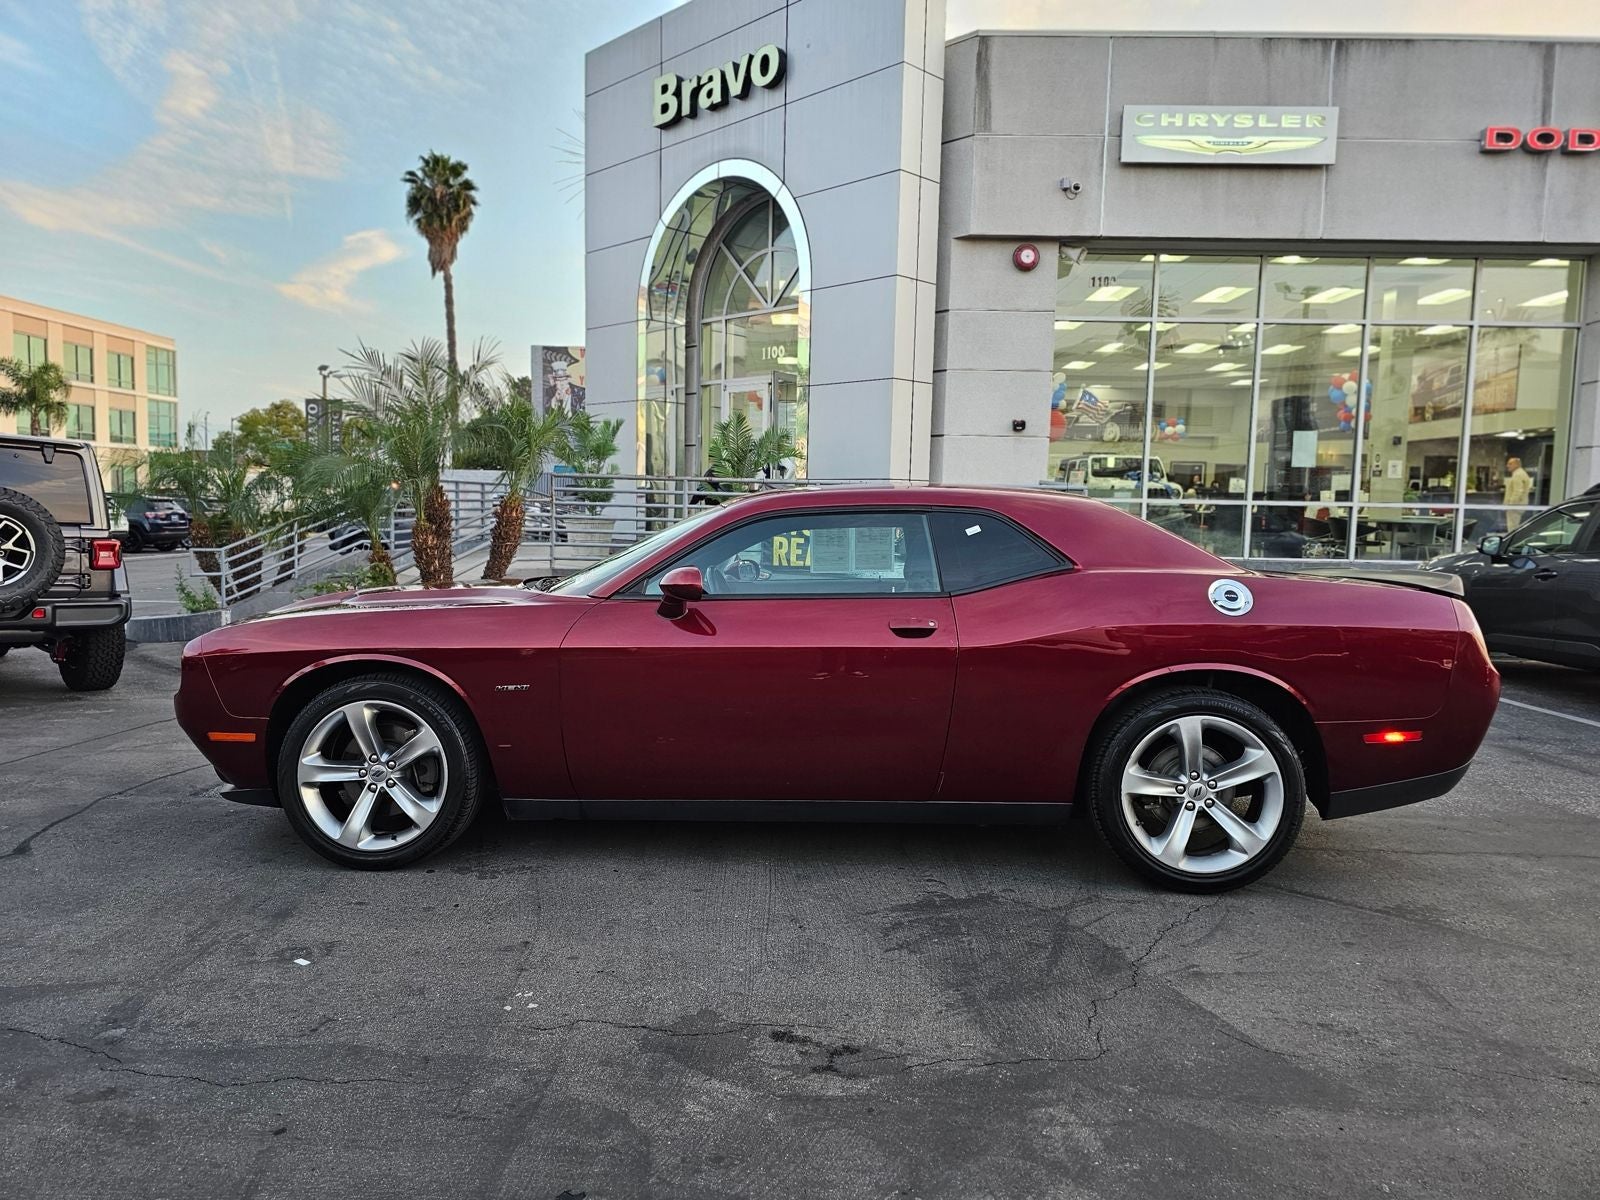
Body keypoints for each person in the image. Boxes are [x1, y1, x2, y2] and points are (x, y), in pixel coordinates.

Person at [1502, 457, 1533, 529]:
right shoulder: (1521, 473)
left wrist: (1511, 505)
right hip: (1518, 506)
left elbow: (1518, 492)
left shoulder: (1518, 475)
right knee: (1514, 526)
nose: (1507, 466)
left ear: (1517, 464)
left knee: (1512, 527)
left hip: (1514, 507)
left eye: (1510, 464)